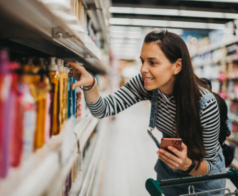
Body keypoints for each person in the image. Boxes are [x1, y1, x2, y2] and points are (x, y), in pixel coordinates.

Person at [67, 29, 226, 196]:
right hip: (169, 169)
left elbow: (207, 164)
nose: (143, 69)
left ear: (177, 66)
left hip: (201, 177)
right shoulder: (144, 83)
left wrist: (186, 164)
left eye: (153, 62)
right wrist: (90, 83)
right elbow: (103, 109)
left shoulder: (205, 104)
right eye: (142, 61)